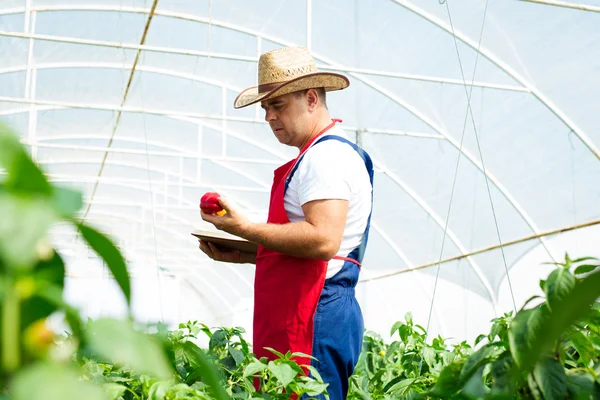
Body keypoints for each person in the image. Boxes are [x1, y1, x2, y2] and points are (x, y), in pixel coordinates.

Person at [199, 46, 374, 400]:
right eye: (265, 107)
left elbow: (324, 240)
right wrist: (251, 254)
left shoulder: (326, 157)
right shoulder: (317, 155)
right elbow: (319, 249)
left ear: (311, 98)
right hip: (314, 306)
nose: (268, 117)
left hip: (314, 313)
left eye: (277, 105)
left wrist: (244, 228)